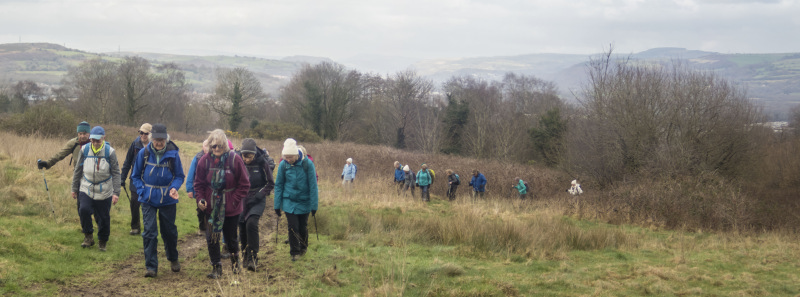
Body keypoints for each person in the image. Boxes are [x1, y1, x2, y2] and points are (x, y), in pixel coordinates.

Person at [130, 123, 185, 278]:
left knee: (169, 231)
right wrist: (142, 190)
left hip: (168, 198)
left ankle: (173, 258)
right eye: (156, 139)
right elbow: (135, 175)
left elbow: (179, 176)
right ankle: (151, 267)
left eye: (162, 139)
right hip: (148, 198)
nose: (159, 142)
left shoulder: (173, 154)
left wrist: (174, 187)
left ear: (166, 139)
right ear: (151, 138)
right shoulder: (144, 153)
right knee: (149, 232)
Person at [194, 129, 250, 279]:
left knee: (231, 238)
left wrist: (233, 201)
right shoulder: (204, 161)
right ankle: (216, 268)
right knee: (212, 238)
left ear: (225, 145)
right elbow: (198, 184)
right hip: (211, 208)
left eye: (220, 146)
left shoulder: (235, 159)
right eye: (214, 146)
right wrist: (200, 199)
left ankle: (235, 264)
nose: (217, 149)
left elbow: (244, 184)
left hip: (231, 208)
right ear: (210, 146)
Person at [71, 126, 120, 252]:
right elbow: (78, 170)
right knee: (84, 210)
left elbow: (116, 173)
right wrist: (74, 188)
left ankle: (102, 241)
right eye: (93, 140)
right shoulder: (84, 150)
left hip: (104, 189)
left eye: (98, 140)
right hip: (86, 186)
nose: (95, 143)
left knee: (103, 217)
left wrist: (116, 193)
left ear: (103, 139)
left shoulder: (110, 152)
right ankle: (88, 236)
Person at [274, 138, 319, 262]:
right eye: (285, 157)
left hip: (304, 201)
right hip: (289, 201)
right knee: (293, 226)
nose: (288, 160)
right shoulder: (283, 164)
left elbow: (313, 186)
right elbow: (279, 185)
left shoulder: (307, 164)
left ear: (296, 154)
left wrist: (314, 206)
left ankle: (303, 247)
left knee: (302, 226)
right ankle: (294, 252)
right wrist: (277, 205)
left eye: (290, 157)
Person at [236, 138, 274, 271]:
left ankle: (253, 257)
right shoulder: (238, 162)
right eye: (244, 156)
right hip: (242, 198)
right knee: (242, 225)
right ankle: (245, 254)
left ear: (254, 154)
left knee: (251, 223)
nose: (246, 159)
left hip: (257, 198)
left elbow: (270, 183)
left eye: (249, 157)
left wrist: (260, 194)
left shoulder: (262, 163)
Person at [39, 121, 91, 215]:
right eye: (80, 134)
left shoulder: (95, 142)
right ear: (77, 133)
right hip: (79, 177)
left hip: (94, 177)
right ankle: (85, 226)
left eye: (85, 134)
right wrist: (47, 163)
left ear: (89, 133)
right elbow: (60, 154)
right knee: (81, 204)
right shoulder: (73, 143)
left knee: (94, 203)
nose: (82, 136)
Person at [120, 123, 152, 235]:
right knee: (134, 201)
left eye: (146, 133)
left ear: (150, 134)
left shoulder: (155, 146)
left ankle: (148, 227)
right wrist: (122, 178)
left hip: (149, 180)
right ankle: (135, 227)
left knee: (148, 204)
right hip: (135, 178)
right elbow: (127, 161)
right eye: (141, 132)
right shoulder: (135, 144)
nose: (143, 135)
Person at [186, 139, 210, 236]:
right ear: (202, 147)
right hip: (199, 188)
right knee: (201, 209)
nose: (208, 148)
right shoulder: (197, 158)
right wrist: (189, 189)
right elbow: (191, 174)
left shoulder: (215, 158)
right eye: (206, 146)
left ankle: (210, 228)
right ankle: (202, 227)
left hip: (211, 189)